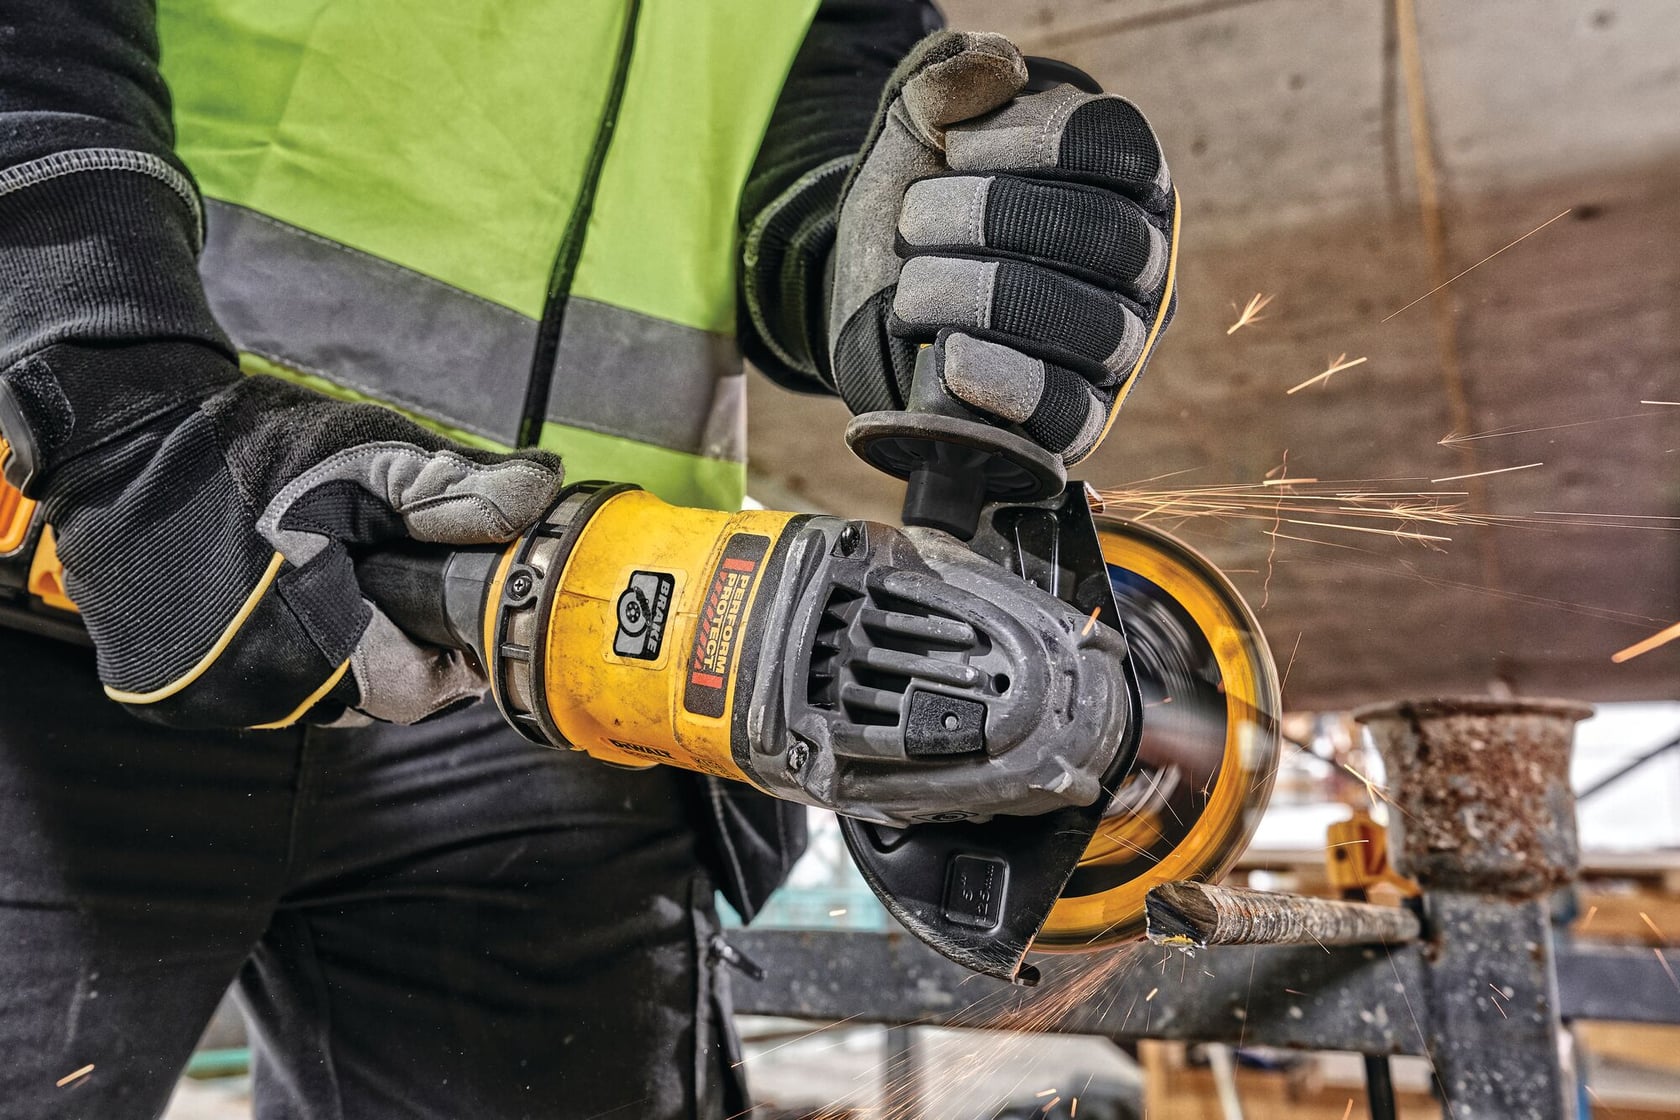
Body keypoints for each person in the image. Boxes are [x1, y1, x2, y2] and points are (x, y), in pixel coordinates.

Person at [0, 1, 1177, 1115]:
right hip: (103, 552)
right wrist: (106, 390)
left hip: (568, 660)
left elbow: (805, 106)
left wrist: (891, 247)